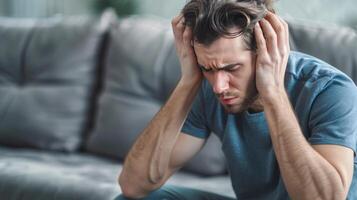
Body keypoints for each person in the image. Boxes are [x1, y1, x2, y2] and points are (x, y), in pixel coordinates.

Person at [116, 0, 357, 199]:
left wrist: (272, 92)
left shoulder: (330, 89)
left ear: (265, 52)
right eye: (207, 69)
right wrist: (189, 82)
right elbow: (134, 185)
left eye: (232, 68)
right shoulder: (208, 87)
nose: (219, 87)